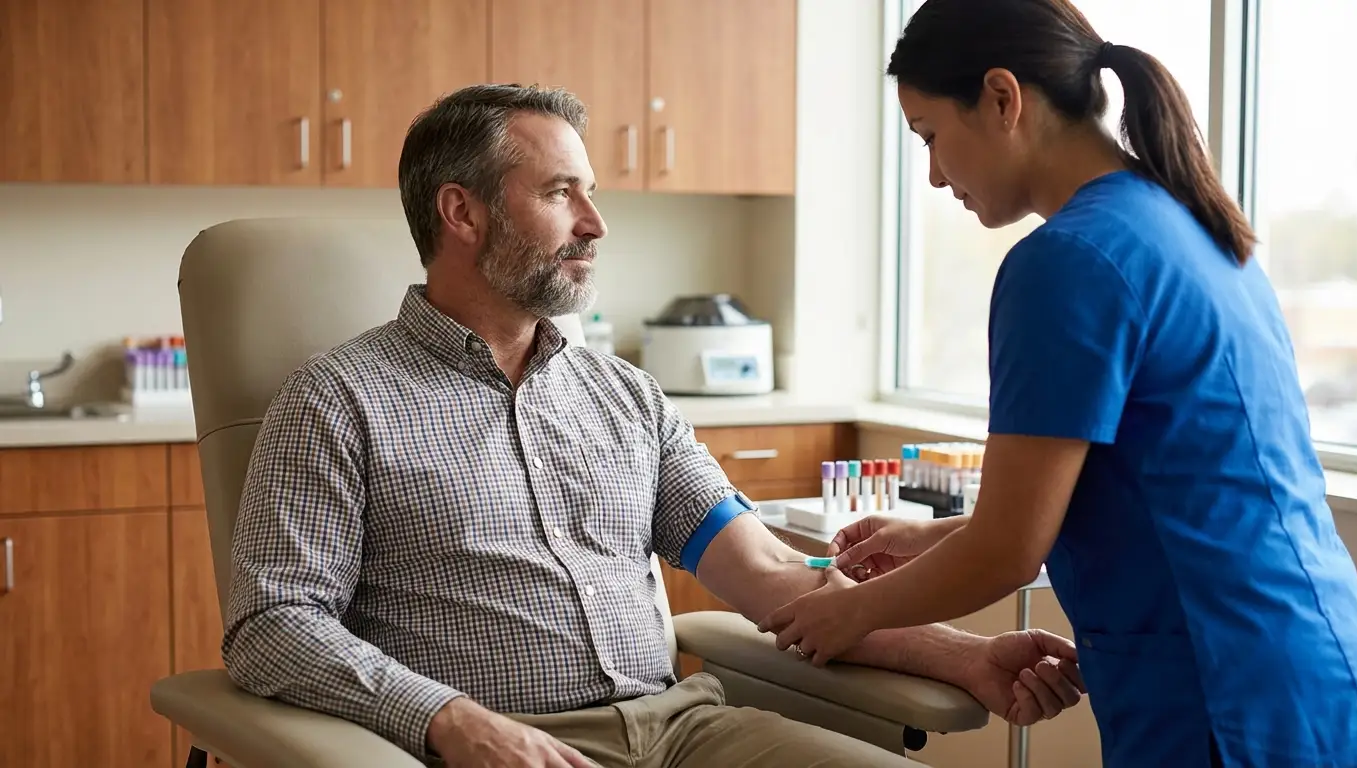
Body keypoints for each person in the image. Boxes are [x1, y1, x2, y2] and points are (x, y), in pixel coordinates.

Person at [221, 83, 1087, 768]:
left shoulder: (628, 399)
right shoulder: (338, 401)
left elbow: (773, 575)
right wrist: (449, 721)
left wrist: (963, 656)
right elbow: (271, 626)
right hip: (502, 742)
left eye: (590, 194)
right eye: (562, 194)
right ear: (463, 213)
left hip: (683, 733)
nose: (596, 224)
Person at [756, 1, 1357, 766]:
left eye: (931, 137)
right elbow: (1149, 486)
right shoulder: (1189, 224)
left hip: (1221, 691)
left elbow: (1008, 551)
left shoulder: (1068, 261)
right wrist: (930, 538)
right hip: (1310, 665)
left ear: (1002, 97)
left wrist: (850, 615)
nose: (935, 174)